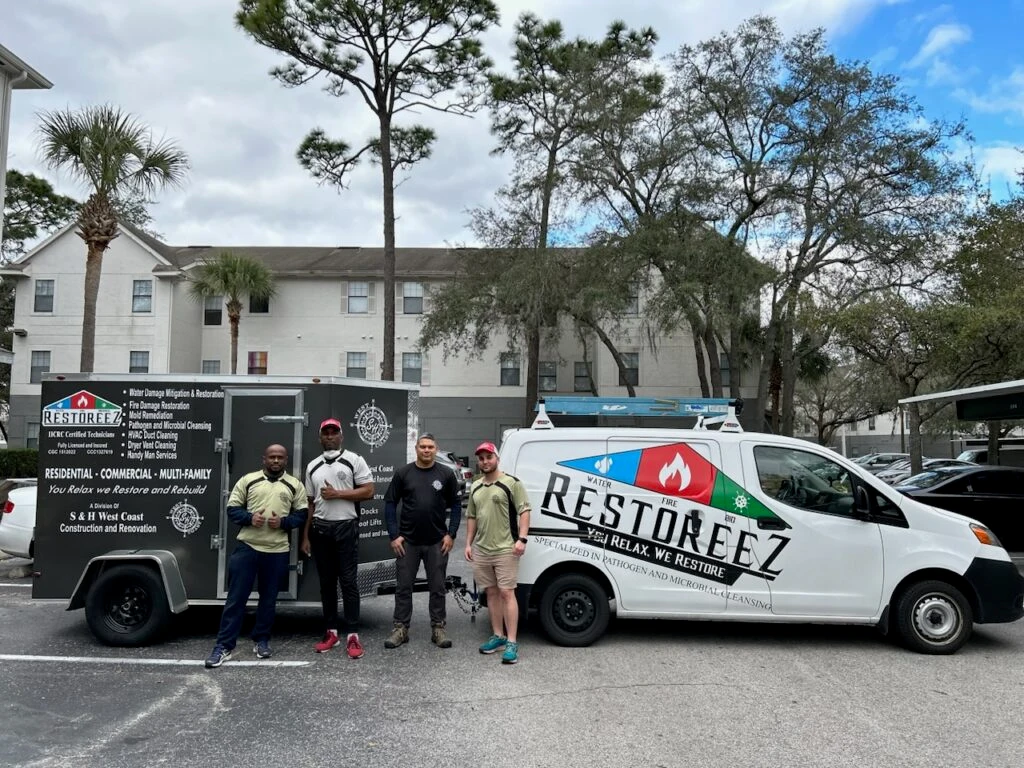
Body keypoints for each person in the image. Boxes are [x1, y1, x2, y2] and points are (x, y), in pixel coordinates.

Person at [205, 444, 308, 668]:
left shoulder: (294, 485)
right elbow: (232, 509)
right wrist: (250, 518)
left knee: (268, 601)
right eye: (272, 457)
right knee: (236, 600)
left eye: (280, 457)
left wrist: (283, 522)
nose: (276, 461)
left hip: (277, 551)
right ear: (264, 459)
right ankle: (224, 646)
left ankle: (261, 640)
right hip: (247, 548)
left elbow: (301, 514)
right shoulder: (248, 480)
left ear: (286, 460)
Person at [301, 418, 375, 658]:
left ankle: (353, 635)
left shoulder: (354, 460)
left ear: (341, 436)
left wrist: (337, 494)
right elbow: (311, 503)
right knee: (326, 584)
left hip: (346, 527)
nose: (330, 436)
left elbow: (369, 491)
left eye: (334, 432)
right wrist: (306, 536)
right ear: (320, 438)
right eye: (326, 433)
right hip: (321, 530)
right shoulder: (312, 465)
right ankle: (331, 632)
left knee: (349, 582)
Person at [383, 433, 461, 649]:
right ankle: (400, 629)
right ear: (416, 449)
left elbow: (456, 505)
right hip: (408, 542)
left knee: (437, 587)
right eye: (423, 447)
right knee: (404, 587)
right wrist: (394, 535)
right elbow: (390, 504)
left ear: (436, 449)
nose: (426, 450)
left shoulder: (446, 474)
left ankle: (438, 628)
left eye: (430, 447)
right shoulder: (403, 473)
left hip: (437, 541)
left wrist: (451, 534)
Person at [463, 441, 531, 665]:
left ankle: (512, 642)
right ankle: (498, 636)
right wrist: (468, 544)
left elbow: (524, 510)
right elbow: (472, 516)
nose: (485, 461)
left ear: (497, 458)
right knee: (491, 593)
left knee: (507, 594)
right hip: (482, 550)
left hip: (505, 548)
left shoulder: (511, 483)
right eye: (481, 458)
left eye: (488, 457)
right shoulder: (476, 486)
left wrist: (521, 539)